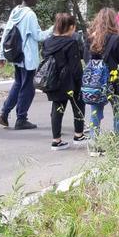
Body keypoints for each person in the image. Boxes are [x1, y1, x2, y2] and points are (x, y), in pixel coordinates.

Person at [0, 0, 52, 130]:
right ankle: (21, 118)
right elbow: (39, 36)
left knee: (18, 84)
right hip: (28, 58)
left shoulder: (15, 11)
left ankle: (4, 112)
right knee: (28, 88)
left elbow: (6, 33)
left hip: (16, 55)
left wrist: (2, 54)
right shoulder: (30, 14)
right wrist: (54, 28)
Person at [42, 13, 88, 151]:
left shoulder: (47, 42)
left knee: (57, 108)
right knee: (78, 105)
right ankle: (78, 135)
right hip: (70, 82)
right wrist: (81, 81)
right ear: (71, 27)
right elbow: (75, 67)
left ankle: (56, 140)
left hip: (53, 80)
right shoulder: (71, 42)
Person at [86, 8, 119, 139]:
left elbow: (86, 59)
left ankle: (94, 141)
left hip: (95, 81)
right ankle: (118, 138)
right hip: (112, 79)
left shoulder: (90, 38)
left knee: (95, 111)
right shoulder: (115, 39)